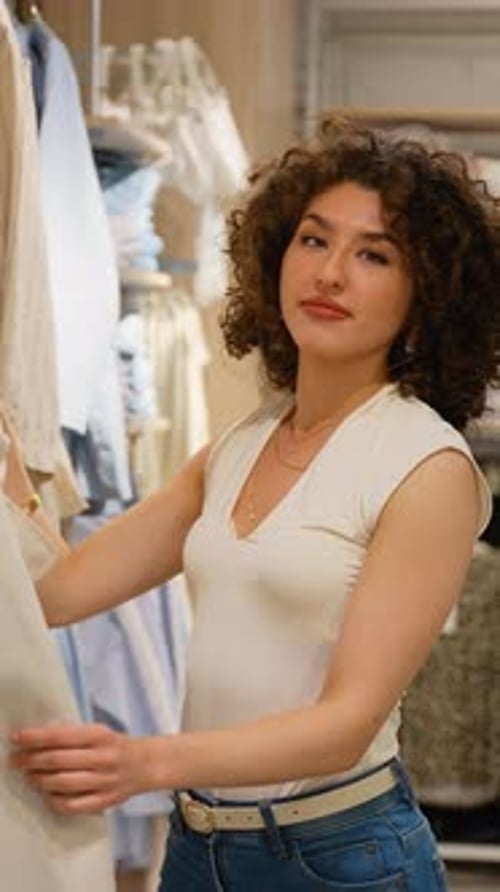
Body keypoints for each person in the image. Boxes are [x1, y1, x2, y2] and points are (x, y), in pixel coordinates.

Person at [7, 115, 500, 891]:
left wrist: (145, 760)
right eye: (313, 239)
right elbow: (55, 593)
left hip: (340, 857)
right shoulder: (239, 445)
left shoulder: (425, 466)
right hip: (199, 847)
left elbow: (345, 725)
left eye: (374, 254)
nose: (330, 273)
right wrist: (11, 470)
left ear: (427, 294)